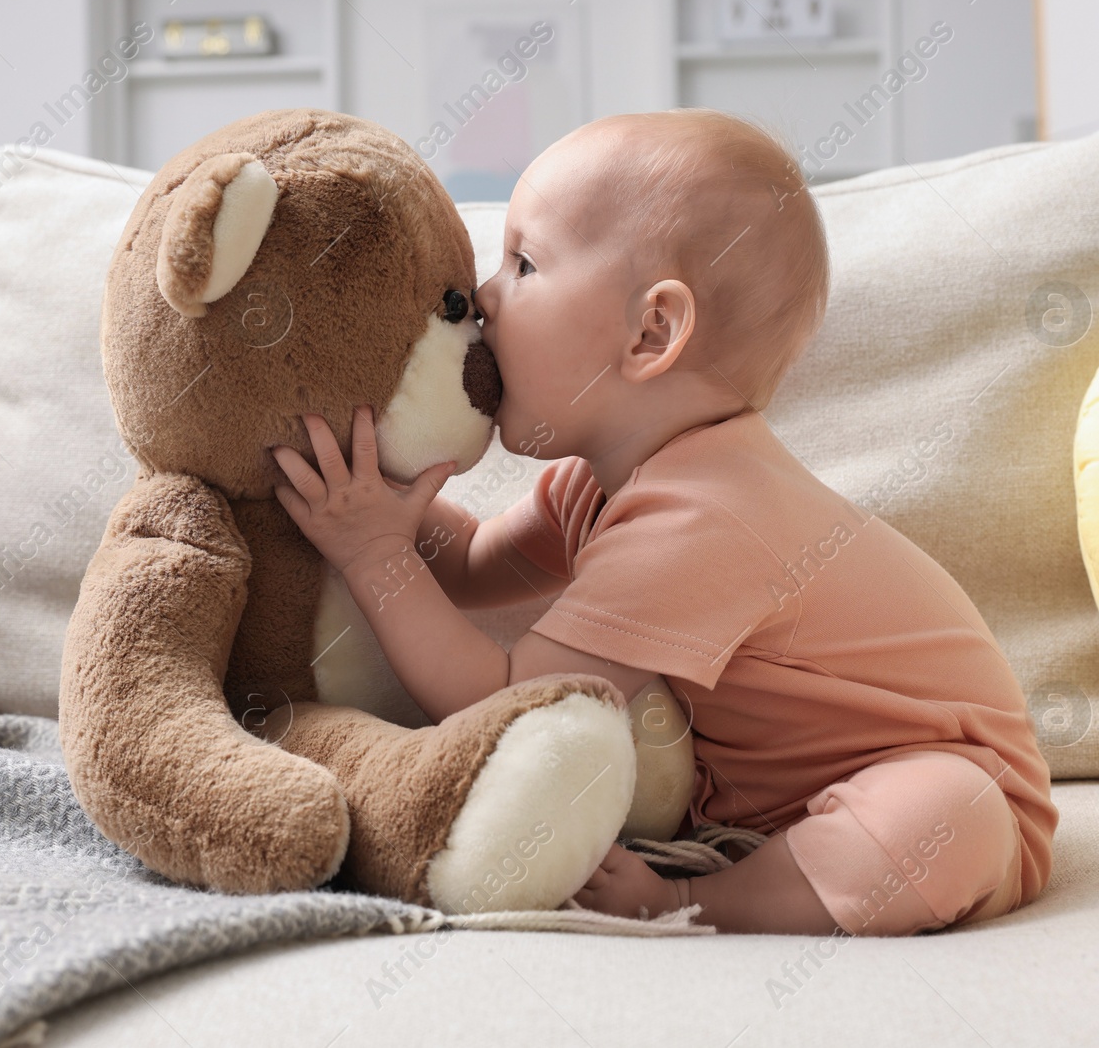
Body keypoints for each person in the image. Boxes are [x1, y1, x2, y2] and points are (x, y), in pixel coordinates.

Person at [269, 108, 1057, 936]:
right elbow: (466, 565)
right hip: (771, 812)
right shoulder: (599, 484)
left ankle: (694, 900)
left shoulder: (704, 514)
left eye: (524, 261)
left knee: (943, 815)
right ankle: (754, 867)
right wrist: (386, 489)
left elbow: (505, 699)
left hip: (960, 789)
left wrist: (373, 552)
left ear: (651, 331)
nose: (486, 297)